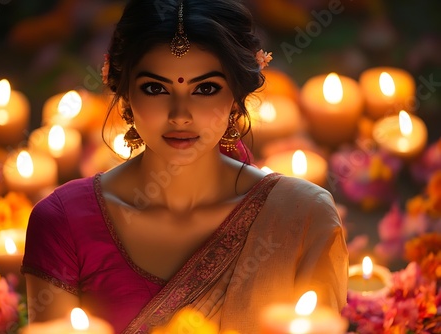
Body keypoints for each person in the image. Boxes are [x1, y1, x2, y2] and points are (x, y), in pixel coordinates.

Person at [21, 0, 349, 333]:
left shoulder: (301, 216)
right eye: (155, 88)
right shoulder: (63, 221)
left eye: (206, 89)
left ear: (236, 97)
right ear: (123, 94)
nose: (180, 114)